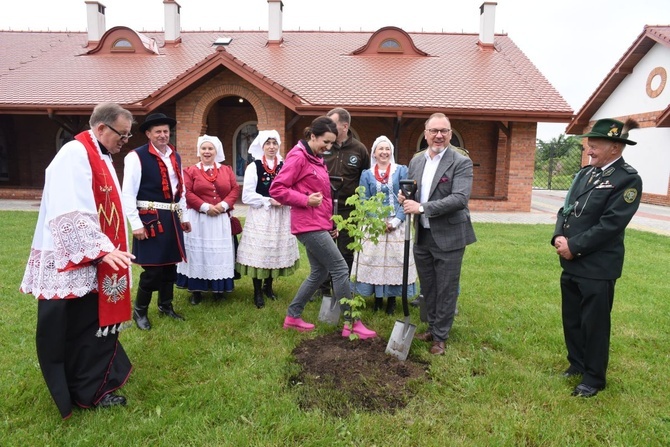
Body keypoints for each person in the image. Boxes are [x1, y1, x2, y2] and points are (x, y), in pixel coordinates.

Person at [20, 102, 135, 419]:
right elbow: (69, 208)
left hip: (92, 259)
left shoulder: (99, 155)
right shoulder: (75, 154)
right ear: (101, 128)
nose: (124, 142)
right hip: (76, 261)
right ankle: (90, 391)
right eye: (122, 135)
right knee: (82, 329)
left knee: (93, 326)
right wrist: (101, 249)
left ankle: (97, 380)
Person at [552, 117, 642, 398]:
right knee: (573, 319)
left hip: (597, 266)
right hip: (572, 262)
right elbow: (565, 208)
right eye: (589, 145)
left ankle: (593, 377)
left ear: (615, 147)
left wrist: (574, 245)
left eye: (595, 145)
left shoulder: (627, 179)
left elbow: (611, 225)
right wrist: (557, 236)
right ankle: (576, 364)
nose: (589, 150)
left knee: (595, 323)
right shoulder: (586, 174)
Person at [270, 116, 377, 339]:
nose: (329, 147)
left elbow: (325, 197)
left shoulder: (315, 157)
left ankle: (293, 317)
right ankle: (351, 322)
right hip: (307, 225)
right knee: (340, 268)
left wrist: (330, 223)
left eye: (331, 143)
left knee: (320, 272)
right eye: (325, 142)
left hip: (318, 223)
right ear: (312, 136)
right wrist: (305, 200)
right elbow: (277, 189)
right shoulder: (298, 157)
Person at [399, 113, 476, 355]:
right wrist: (406, 198)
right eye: (434, 131)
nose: (439, 135)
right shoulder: (417, 161)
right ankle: (432, 327)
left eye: (444, 131)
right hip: (422, 233)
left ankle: (440, 337)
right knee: (429, 287)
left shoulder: (460, 162)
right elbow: (412, 191)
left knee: (446, 287)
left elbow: (459, 199)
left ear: (450, 134)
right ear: (426, 133)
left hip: (450, 234)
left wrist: (421, 207)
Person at [122, 113, 191, 330]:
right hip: (150, 218)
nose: (163, 135)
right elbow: (127, 193)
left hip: (171, 217)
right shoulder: (136, 156)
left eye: (165, 131)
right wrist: (136, 223)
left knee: (170, 267)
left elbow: (181, 190)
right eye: (158, 131)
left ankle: (165, 306)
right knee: (152, 270)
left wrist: (184, 216)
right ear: (149, 134)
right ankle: (140, 311)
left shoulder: (175, 156)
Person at [351, 135, 417, 315]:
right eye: (380, 149)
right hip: (374, 225)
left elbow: (407, 196)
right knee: (375, 260)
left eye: (387, 149)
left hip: (397, 222)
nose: (384, 152)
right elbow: (363, 199)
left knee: (395, 262)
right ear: (374, 152)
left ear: (392, 152)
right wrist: (377, 221)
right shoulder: (367, 174)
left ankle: (392, 300)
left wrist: (396, 220)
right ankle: (378, 299)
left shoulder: (401, 171)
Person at [236, 130, 300, 309]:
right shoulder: (253, 167)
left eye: (274, 143)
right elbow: (247, 196)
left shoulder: (285, 165)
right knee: (260, 252)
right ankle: (257, 292)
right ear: (262, 146)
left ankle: (268, 287)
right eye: (268, 143)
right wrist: (268, 200)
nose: (271, 147)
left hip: (280, 215)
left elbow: (292, 187)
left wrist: (286, 198)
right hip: (262, 215)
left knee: (274, 249)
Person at [176, 135, 240, 304]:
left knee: (218, 255)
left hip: (220, 219)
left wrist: (224, 205)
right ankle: (197, 290)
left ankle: (218, 289)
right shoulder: (190, 171)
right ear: (199, 151)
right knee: (199, 254)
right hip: (199, 219)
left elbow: (234, 189)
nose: (207, 152)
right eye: (203, 148)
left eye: (210, 148)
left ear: (216, 151)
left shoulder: (226, 170)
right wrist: (205, 207)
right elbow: (186, 192)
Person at [315, 108, 369, 297]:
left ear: (344, 126)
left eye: (333, 124)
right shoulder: (323, 147)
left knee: (345, 251)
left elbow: (365, 179)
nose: (328, 127)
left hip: (348, 209)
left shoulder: (359, 149)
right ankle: (323, 290)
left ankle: (342, 289)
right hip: (323, 207)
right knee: (323, 249)